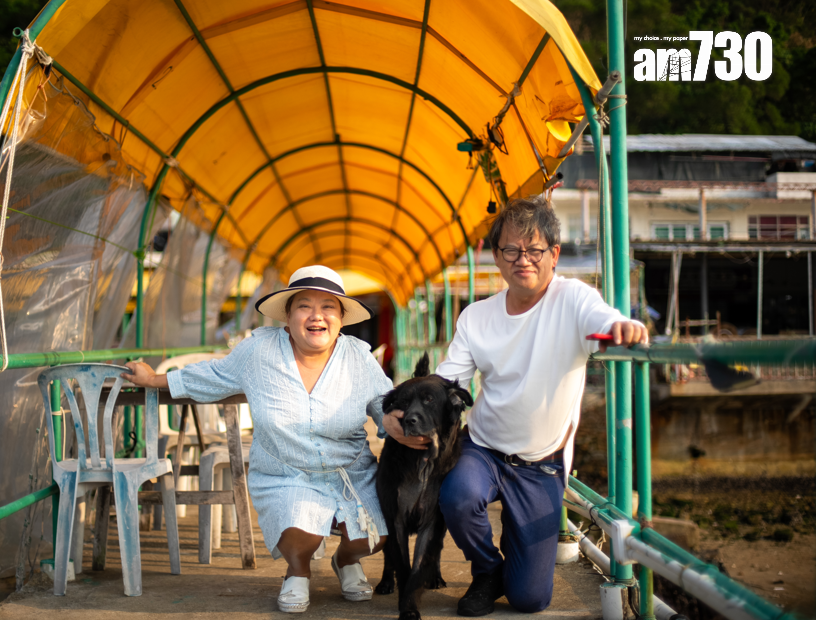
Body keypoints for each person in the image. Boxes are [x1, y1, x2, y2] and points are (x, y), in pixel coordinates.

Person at [382, 196, 648, 616]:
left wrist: (623, 327)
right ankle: (487, 569)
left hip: (541, 461)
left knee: (530, 599)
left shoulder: (573, 299)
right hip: (483, 448)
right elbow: (447, 381)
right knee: (457, 494)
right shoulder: (476, 316)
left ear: (554, 254)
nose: (524, 259)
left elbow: (603, 320)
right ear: (497, 256)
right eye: (512, 250)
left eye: (535, 250)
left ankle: (517, 556)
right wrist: (391, 416)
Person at [122, 265, 390, 614]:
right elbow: (213, 375)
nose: (316, 316)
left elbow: (387, 403)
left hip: (351, 472)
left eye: (328, 307)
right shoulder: (259, 351)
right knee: (301, 530)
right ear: (288, 316)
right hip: (287, 472)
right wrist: (154, 379)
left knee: (376, 537)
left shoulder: (358, 356)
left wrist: (402, 428)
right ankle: (297, 571)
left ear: (340, 318)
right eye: (304, 306)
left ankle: (346, 561)